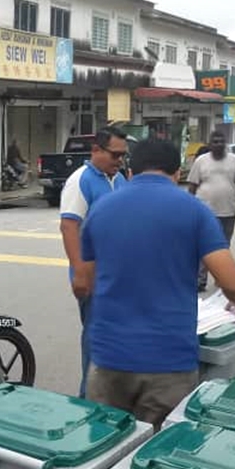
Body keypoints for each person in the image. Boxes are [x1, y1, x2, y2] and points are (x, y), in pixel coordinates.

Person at [82, 137, 235, 430]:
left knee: (103, 448)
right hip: (168, 361)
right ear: (177, 174)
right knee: (156, 460)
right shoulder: (194, 210)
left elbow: (83, 283)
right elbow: (231, 282)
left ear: (130, 172)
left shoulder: (101, 209)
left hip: (109, 357)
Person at [59, 126, 129, 397]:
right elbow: (69, 227)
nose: (120, 161)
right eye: (115, 155)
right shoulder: (81, 180)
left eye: (123, 156)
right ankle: (88, 400)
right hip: (94, 276)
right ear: (96, 150)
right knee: (96, 341)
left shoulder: (120, 179)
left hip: (119, 276)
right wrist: (79, 273)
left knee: (116, 340)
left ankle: (110, 396)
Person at [187, 131, 235, 292]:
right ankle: (200, 281)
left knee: (223, 247)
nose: (218, 143)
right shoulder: (201, 161)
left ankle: (221, 278)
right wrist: (189, 208)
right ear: (209, 144)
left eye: (221, 140)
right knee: (203, 247)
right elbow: (192, 186)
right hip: (204, 212)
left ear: (225, 143)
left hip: (228, 211)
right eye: (214, 141)